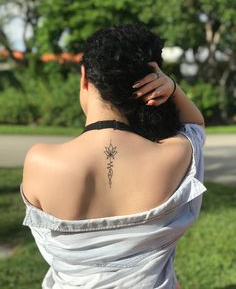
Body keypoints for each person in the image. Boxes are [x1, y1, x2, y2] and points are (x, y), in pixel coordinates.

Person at [20, 23, 206, 289]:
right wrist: (173, 88)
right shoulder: (176, 154)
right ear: (152, 79)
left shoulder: (40, 161)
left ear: (84, 77)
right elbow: (196, 126)